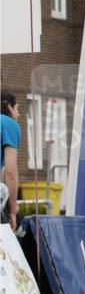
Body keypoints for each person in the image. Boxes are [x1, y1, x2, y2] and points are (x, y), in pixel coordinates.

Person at [1, 91, 21, 230]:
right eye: (17, 108)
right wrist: (13, 209)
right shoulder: (9, 124)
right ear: (9, 107)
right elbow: (10, 171)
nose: (18, 114)